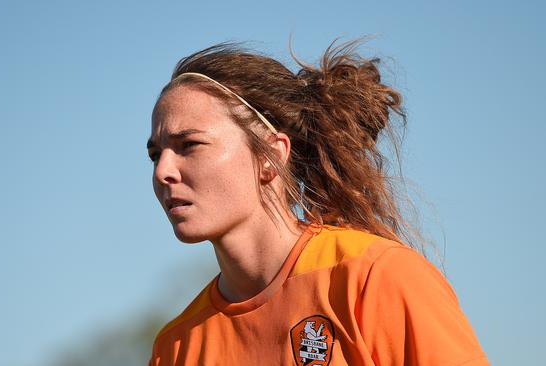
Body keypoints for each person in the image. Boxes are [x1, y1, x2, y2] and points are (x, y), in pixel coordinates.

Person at [146, 38, 489, 365]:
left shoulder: (374, 277)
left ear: (270, 156)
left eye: (189, 145)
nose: (163, 171)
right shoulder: (175, 345)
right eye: (155, 154)